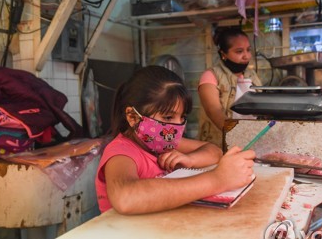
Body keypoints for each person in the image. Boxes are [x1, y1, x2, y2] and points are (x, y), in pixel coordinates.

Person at [95, 65, 255, 215]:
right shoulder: (121, 152)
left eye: (182, 117)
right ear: (132, 117)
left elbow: (214, 151)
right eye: (168, 117)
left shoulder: (163, 140)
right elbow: (126, 197)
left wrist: (189, 159)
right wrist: (218, 179)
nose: (178, 125)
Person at [198, 27, 263, 148]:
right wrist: (237, 135)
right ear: (223, 54)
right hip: (219, 146)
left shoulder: (252, 75)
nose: (246, 56)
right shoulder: (211, 76)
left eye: (248, 50)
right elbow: (214, 112)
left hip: (252, 142)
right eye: (239, 51)